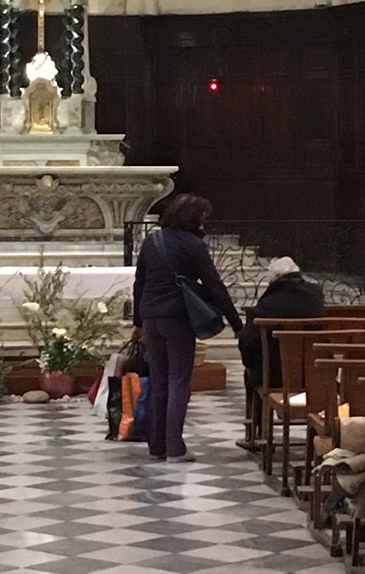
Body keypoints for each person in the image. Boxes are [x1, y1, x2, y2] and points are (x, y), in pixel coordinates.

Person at [132, 192, 241, 463]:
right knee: (179, 381)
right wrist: (236, 322)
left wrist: (138, 322)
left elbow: (139, 283)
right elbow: (214, 286)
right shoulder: (194, 246)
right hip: (178, 318)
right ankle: (175, 448)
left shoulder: (152, 241)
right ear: (195, 219)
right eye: (202, 217)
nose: (204, 223)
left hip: (151, 315)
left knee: (159, 380)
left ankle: (156, 446)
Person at [237, 256, 325, 393]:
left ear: (274, 279)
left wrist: (251, 363)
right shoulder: (316, 297)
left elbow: (249, 344)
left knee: (253, 370)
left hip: (275, 376)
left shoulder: (268, 304)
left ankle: (259, 406)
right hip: (314, 372)